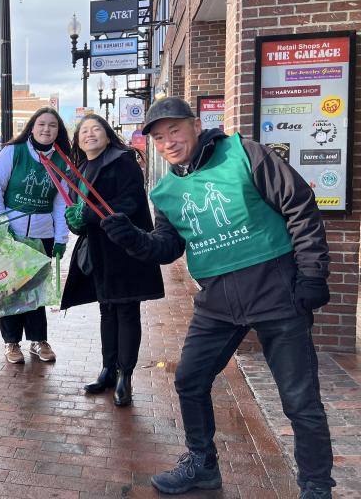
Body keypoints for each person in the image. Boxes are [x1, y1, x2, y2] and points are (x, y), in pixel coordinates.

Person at [100, 97, 334, 498]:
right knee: (190, 379)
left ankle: (315, 486)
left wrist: (312, 274)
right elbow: (167, 247)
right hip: (218, 299)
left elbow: (299, 206)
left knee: (299, 399)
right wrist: (131, 240)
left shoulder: (244, 153)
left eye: (174, 130)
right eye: (158, 137)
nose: (169, 142)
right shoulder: (166, 191)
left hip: (275, 287)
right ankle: (202, 465)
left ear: (194, 125)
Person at [61, 114, 164, 406]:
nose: (90, 134)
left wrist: (89, 215)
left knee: (127, 310)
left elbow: (129, 202)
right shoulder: (79, 168)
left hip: (125, 249)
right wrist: (75, 222)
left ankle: (125, 376)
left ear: (107, 135)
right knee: (107, 310)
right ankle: (108, 369)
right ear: (78, 140)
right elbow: (79, 214)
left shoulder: (122, 160)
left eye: (96, 129)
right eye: (84, 131)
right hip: (99, 252)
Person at [0, 107, 70, 364]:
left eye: (52, 125)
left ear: (59, 131)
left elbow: (61, 203)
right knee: (10, 291)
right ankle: (11, 343)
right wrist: (2, 226)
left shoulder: (61, 160)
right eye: (41, 124)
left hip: (42, 235)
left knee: (36, 292)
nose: (46, 129)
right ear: (32, 127)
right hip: (12, 234)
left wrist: (60, 239)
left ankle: (38, 340)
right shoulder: (14, 152)